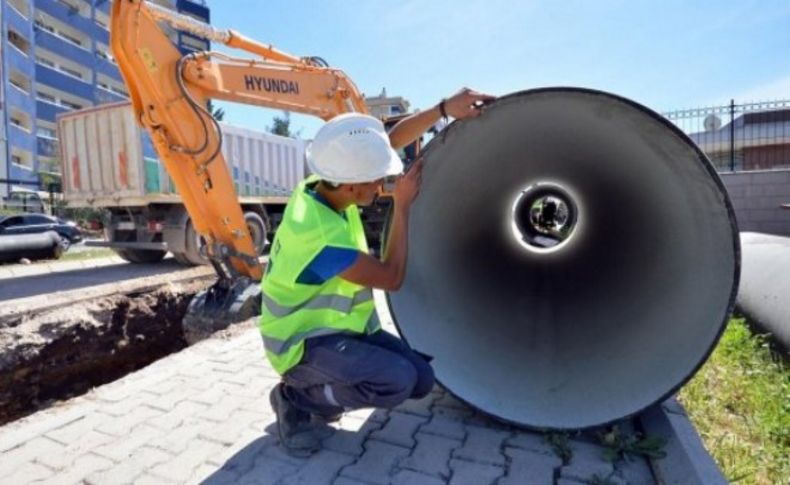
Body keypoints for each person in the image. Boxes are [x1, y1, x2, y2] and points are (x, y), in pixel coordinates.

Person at [260, 88, 495, 456]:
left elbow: (388, 141)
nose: (382, 185)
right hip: (300, 345)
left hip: (342, 332)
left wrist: (444, 108)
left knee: (421, 379)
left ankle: (316, 388)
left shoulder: (323, 185)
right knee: (396, 381)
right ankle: (297, 398)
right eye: (377, 180)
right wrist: (401, 207)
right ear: (352, 184)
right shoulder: (319, 238)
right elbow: (392, 277)